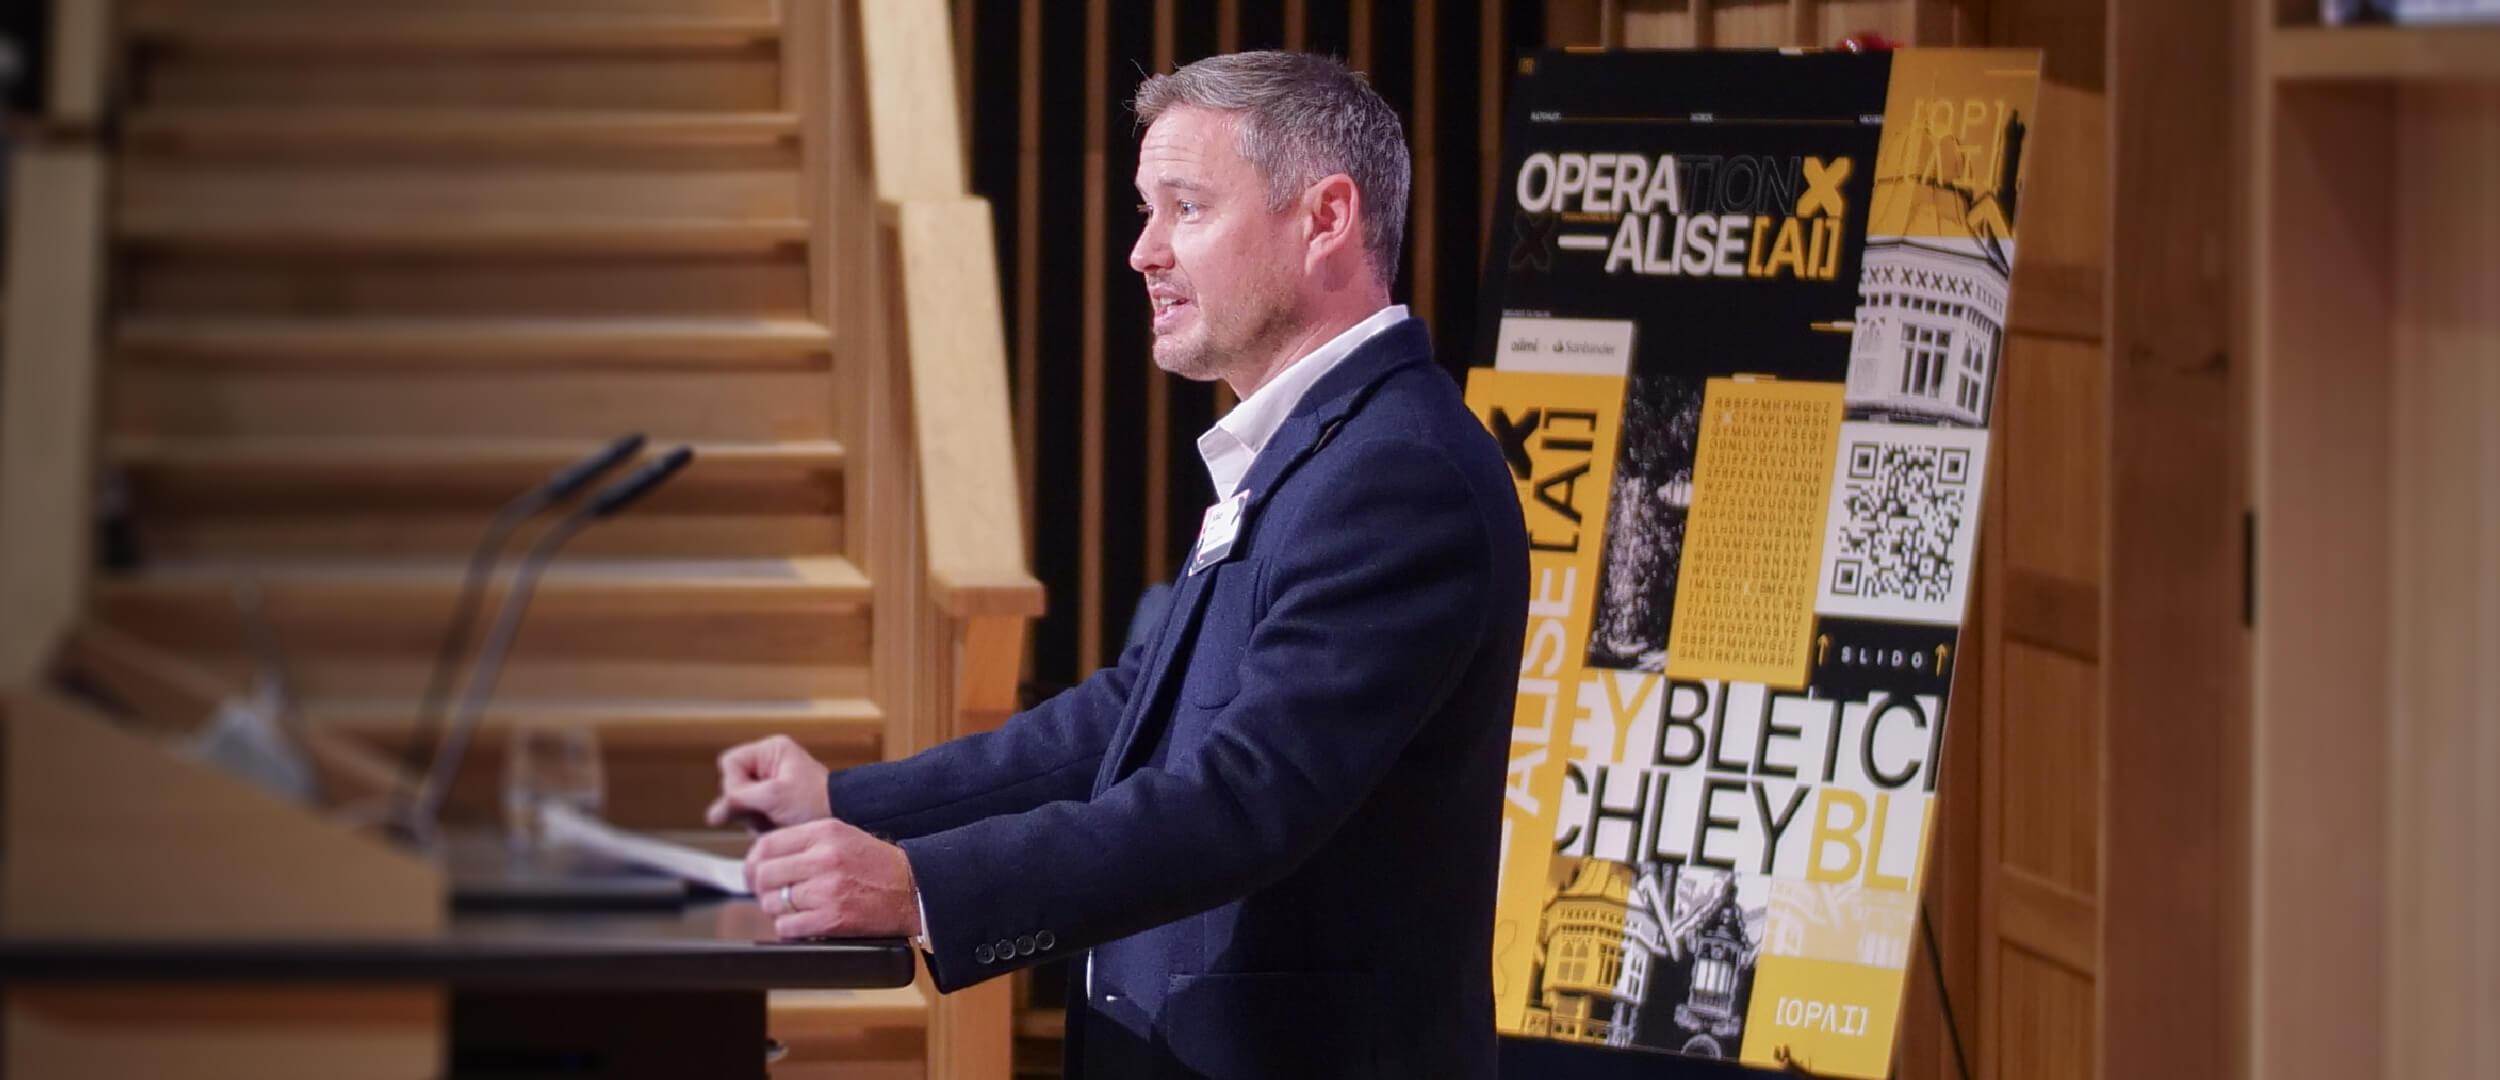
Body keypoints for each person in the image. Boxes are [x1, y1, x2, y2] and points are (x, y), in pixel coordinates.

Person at [707, 50, 1527, 1079]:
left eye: (1184, 208)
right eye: (1146, 211)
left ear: (1323, 220)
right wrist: (847, 804)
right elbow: (1129, 715)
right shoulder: (1307, 448)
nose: (1141, 251)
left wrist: (921, 885)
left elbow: (1244, 795)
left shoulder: (1397, 471)